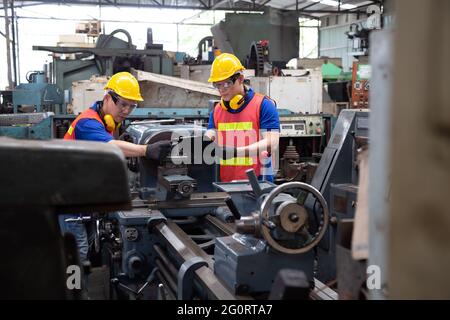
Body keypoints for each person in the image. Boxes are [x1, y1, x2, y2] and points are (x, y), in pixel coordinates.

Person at [61, 71, 171, 265]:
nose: (126, 111)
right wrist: (146, 150)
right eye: (123, 104)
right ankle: (73, 291)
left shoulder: (106, 121)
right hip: (66, 197)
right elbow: (110, 147)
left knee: (83, 248)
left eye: (132, 106)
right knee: (77, 253)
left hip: (79, 195)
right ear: (107, 98)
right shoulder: (88, 123)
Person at [205, 53, 280, 183]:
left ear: (240, 79)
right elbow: (209, 136)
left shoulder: (263, 105)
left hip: (258, 184)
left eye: (227, 83)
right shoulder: (217, 110)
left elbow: (271, 144)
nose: (222, 89)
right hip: (225, 185)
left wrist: (235, 152)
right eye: (218, 85)